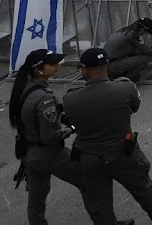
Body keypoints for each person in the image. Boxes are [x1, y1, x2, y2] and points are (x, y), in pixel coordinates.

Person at [63, 48, 152, 225]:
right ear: (107, 65)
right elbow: (134, 107)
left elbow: (70, 121)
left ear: (84, 70)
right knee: (143, 187)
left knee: (99, 201)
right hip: (122, 153)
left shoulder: (70, 99)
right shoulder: (125, 87)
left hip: (89, 157)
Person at [8, 49, 97, 225]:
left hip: (29, 154)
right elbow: (50, 137)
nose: (57, 65)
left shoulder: (25, 88)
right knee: (88, 182)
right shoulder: (44, 98)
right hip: (49, 154)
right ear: (39, 70)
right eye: (52, 64)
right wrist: (71, 128)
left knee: (37, 196)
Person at [104, 18, 152, 82]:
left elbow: (135, 51)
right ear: (142, 28)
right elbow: (145, 51)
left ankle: (122, 76)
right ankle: (125, 80)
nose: (145, 34)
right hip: (112, 66)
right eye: (145, 31)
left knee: (136, 75)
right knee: (147, 58)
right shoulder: (132, 35)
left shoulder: (125, 31)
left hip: (107, 66)